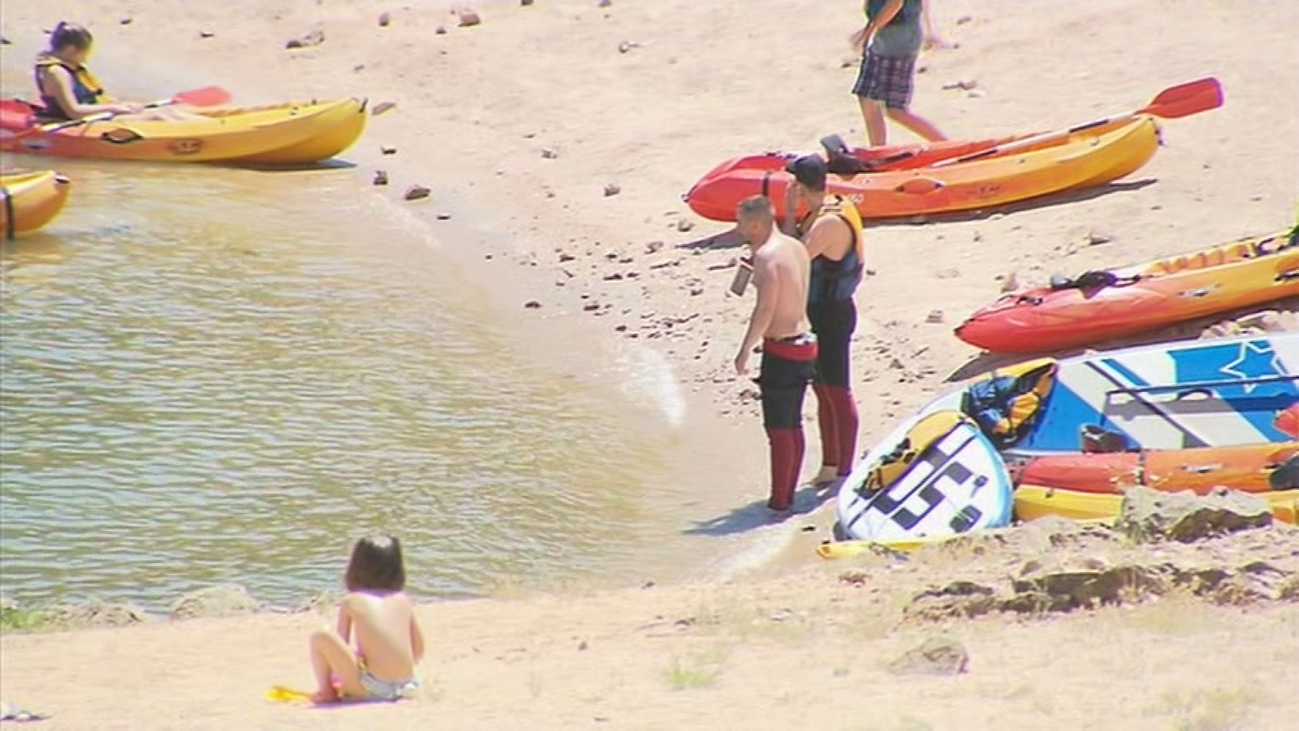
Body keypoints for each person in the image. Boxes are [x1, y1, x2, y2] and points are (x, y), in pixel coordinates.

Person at [782, 156, 865, 486]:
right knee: (822, 389)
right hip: (819, 313)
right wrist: (790, 213)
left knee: (838, 390)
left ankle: (844, 469)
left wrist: (788, 213)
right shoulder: (823, 210)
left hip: (833, 314)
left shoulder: (828, 223)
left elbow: (791, 260)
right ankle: (830, 465)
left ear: (799, 186)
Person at [733, 195, 817, 512]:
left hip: (782, 348)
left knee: (779, 430)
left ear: (756, 224)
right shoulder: (794, 246)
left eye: (740, 222)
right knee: (793, 424)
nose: (737, 228)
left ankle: (780, 502)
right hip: (806, 342)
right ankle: (789, 493)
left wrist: (745, 350)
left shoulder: (767, 258)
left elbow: (765, 307)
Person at [308, 534, 425, 703]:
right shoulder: (403, 599)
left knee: (321, 636)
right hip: (408, 685)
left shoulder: (352, 600)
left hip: (374, 686)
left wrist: (341, 682)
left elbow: (341, 648)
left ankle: (326, 693)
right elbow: (418, 650)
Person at [33, 22, 198, 122]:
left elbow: (94, 98)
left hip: (96, 115)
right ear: (71, 49)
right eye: (85, 51)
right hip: (83, 122)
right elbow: (74, 112)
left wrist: (121, 104)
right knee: (157, 117)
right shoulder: (56, 72)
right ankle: (209, 134)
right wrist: (115, 108)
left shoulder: (68, 67)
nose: (87, 56)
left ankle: (216, 126)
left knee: (166, 111)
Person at [849, 0, 947, 147]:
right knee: (866, 98)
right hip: (882, 41)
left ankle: (948, 145)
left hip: (899, 44)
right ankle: (878, 152)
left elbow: (895, 4)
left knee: (895, 109)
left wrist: (867, 33)